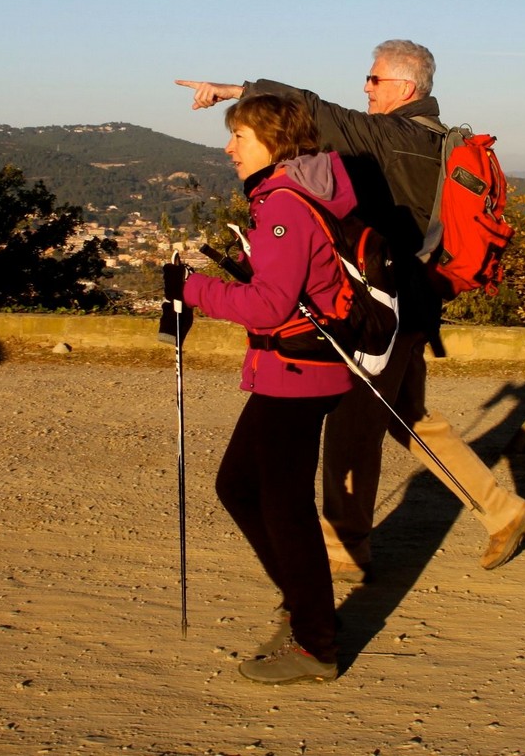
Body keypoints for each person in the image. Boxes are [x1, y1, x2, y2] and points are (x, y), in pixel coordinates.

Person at [177, 40, 525, 580]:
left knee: (353, 423)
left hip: (384, 309)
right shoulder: (437, 142)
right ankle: (503, 511)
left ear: (405, 87)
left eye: (373, 79)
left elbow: (315, 110)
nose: (365, 88)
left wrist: (237, 91)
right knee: (407, 415)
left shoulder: (393, 136)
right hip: (415, 300)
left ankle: (345, 548)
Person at [165, 93, 355, 684]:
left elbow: (271, 306)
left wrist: (192, 289)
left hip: (298, 373)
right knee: (240, 486)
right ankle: (303, 609)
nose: (229, 148)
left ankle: (315, 643)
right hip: (296, 369)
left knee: (283, 506)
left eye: (240, 136)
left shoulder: (284, 205)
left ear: (273, 141)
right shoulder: (296, 195)